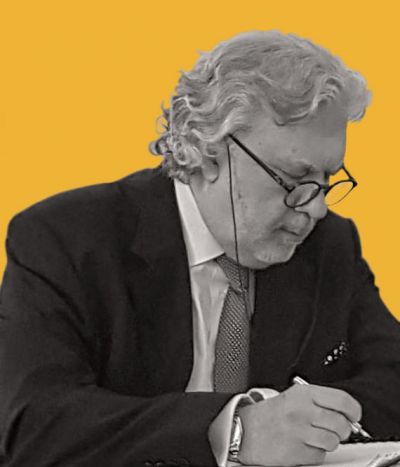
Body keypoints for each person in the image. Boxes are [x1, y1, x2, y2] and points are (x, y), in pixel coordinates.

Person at [0, 30, 399, 467]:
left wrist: (306, 421)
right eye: (294, 180)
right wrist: (234, 428)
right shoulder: (66, 239)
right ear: (209, 155)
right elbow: (33, 424)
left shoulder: (329, 245)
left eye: (326, 180)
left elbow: (392, 380)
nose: (317, 208)